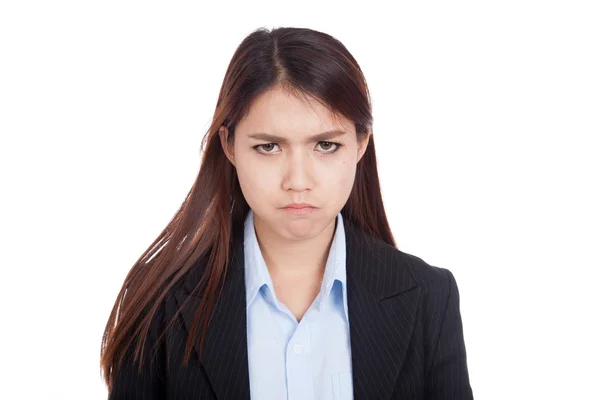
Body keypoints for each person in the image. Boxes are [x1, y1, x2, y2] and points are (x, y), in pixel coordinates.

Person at [100, 26, 474, 400]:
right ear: (229, 145)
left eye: (326, 145)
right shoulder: (161, 301)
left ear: (361, 143)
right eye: (268, 147)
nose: (298, 181)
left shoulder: (429, 297)